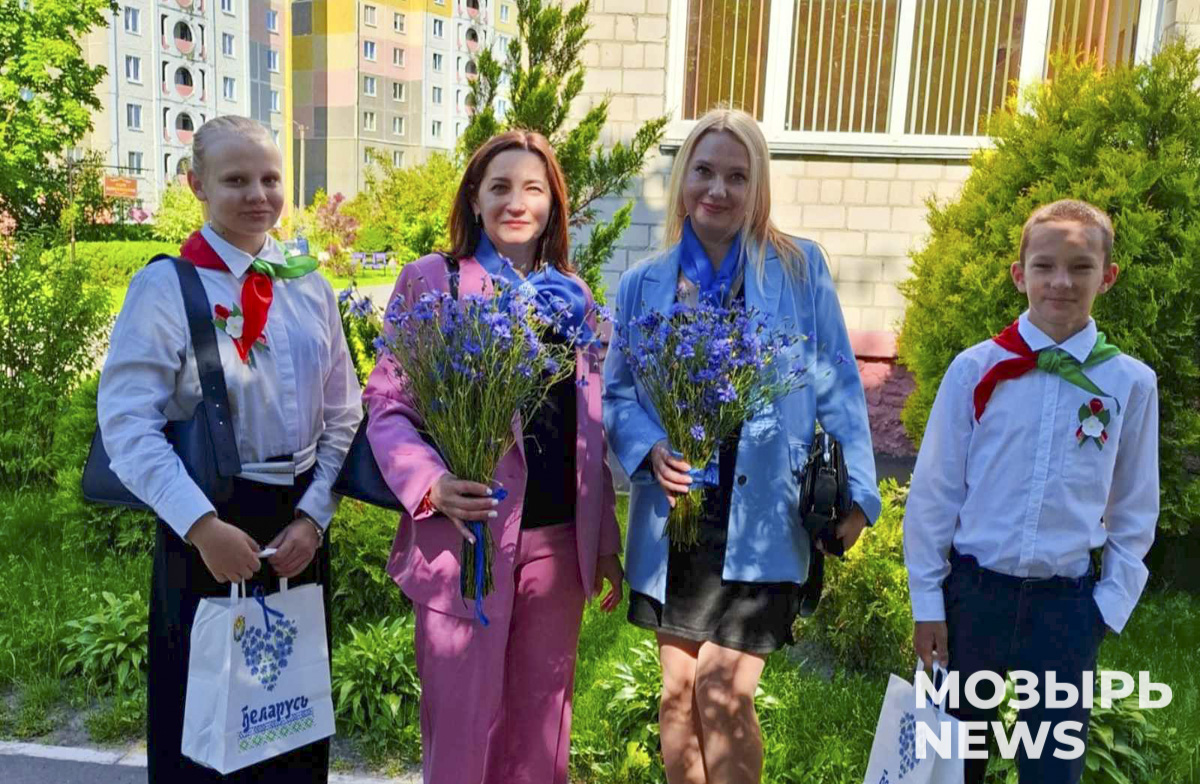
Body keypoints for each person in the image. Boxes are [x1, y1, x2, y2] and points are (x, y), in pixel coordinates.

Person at [602, 108, 881, 784]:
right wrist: (648, 448)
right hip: (678, 519)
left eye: (737, 176)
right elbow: (617, 394)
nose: (718, 189)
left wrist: (862, 497)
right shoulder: (644, 283)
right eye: (704, 171)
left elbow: (837, 382)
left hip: (765, 519)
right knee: (678, 695)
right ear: (683, 179)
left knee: (721, 692)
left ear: (758, 187)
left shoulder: (798, 268)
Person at [97, 115, 362, 783]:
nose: (258, 195)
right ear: (197, 185)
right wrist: (201, 527)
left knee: (291, 715)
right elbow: (127, 424)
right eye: (236, 180)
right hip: (209, 520)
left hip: (299, 524)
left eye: (270, 179)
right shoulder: (167, 287)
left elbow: (343, 414)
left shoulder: (309, 286)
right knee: (205, 730)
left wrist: (315, 517)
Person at [362, 129, 624, 784]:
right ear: (474, 199)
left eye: (533, 189)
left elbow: (588, 432)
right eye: (500, 187)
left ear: (553, 205)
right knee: (462, 736)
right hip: (466, 541)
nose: (517, 202)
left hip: (557, 548)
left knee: (540, 741)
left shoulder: (573, 298)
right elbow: (387, 404)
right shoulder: (434, 282)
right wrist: (430, 484)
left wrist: (603, 544)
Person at [904, 199, 1159, 783]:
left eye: (1080, 267)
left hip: (1064, 609)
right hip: (972, 601)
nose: (1061, 282)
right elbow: (936, 493)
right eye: (1044, 266)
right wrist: (928, 603)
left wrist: (1106, 608)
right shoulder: (975, 370)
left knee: (1052, 770)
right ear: (1020, 275)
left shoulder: (1128, 383)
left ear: (1107, 276)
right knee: (948, 766)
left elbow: (1134, 506)